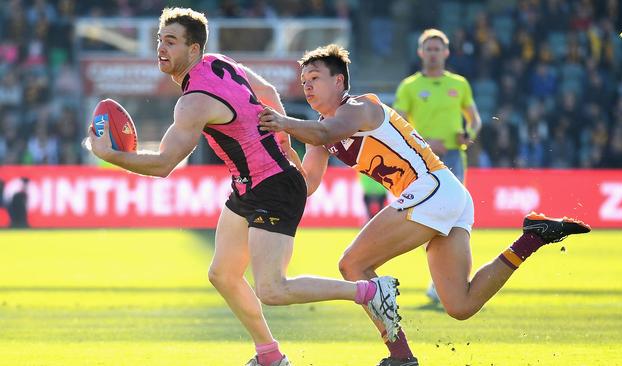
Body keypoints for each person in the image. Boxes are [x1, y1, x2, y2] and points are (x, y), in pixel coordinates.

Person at [86, 8, 402, 366]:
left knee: (272, 288)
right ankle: (269, 355)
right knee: (222, 274)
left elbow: (163, 164)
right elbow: (266, 91)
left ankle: (369, 291)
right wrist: (283, 139)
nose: (161, 48)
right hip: (250, 186)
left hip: (273, 187)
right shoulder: (219, 62)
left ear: (193, 50)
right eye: (160, 40)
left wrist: (109, 155)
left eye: (170, 42)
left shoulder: (193, 102)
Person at [258, 44, 591, 366]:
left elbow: (323, 132)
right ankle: (532, 237)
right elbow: (309, 184)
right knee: (460, 304)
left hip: (432, 189)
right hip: (447, 194)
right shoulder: (322, 127)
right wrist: (284, 150)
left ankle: (401, 356)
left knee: (353, 265)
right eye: (303, 82)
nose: (307, 86)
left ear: (339, 81)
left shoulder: (359, 108)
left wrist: (284, 123)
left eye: (314, 78)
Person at [393, 28, 482, 304]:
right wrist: (425, 141)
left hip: (455, 157)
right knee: (429, 219)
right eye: (428, 49)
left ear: (446, 52)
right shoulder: (409, 86)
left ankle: (441, 281)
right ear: (421, 53)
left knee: (456, 220)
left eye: (437, 49)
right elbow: (399, 124)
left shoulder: (460, 84)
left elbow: (475, 119)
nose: (433, 54)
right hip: (423, 162)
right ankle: (440, 279)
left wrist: (470, 136)